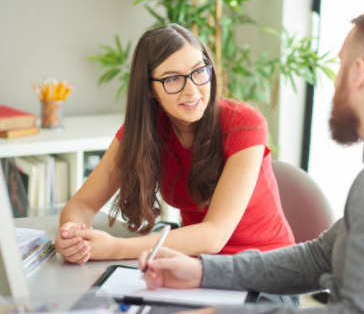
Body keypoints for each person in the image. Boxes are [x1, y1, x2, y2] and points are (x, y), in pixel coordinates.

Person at [138, 7, 364, 314]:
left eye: (339, 65)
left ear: (359, 73)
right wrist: (202, 271)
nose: (334, 80)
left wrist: (227, 312)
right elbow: (320, 256)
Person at [54, 24, 295, 265]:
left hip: (268, 270)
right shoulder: (143, 132)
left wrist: (115, 248)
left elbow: (214, 235)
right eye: (172, 79)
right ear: (149, 88)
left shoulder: (243, 124)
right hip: (196, 267)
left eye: (199, 71)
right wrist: (73, 236)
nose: (192, 91)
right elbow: (82, 204)